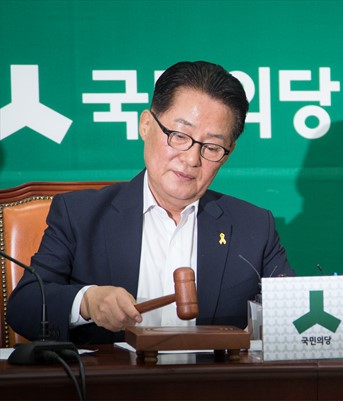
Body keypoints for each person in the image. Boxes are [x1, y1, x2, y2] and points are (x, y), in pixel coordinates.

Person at [7, 61, 295, 344]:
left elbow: (294, 315)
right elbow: (24, 307)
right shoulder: (80, 215)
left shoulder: (254, 228)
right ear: (146, 125)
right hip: (111, 376)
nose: (191, 159)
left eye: (211, 147)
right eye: (179, 136)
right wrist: (86, 302)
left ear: (227, 154)